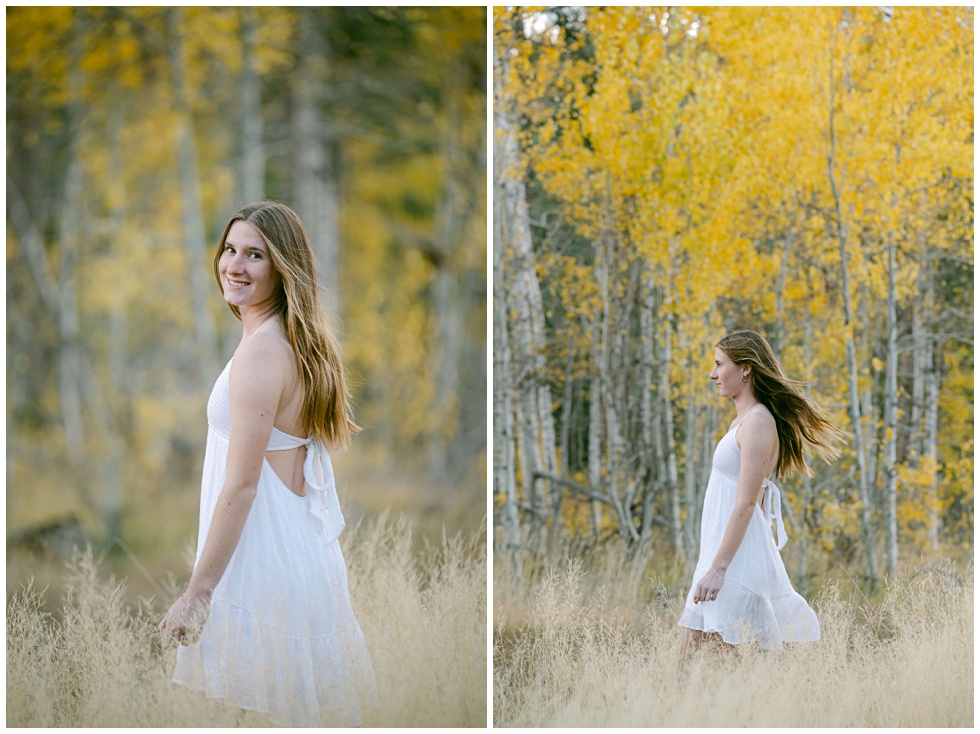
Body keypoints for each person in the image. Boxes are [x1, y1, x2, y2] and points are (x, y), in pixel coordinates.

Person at [155, 201, 376, 726]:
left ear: (283, 268)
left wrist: (197, 594)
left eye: (255, 255)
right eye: (230, 249)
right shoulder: (293, 343)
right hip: (297, 561)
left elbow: (242, 486)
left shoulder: (262, 352)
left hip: (262, 570)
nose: (235, 265)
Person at [677, 330, 845, 666]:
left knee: (701, 666)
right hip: (722, 557)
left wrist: (718, 570)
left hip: (731, 564)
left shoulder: (757, 423)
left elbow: (745, 502)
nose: (712, 374)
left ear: (746, 369)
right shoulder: (742, 421)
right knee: (694, 664)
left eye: (719, 364)